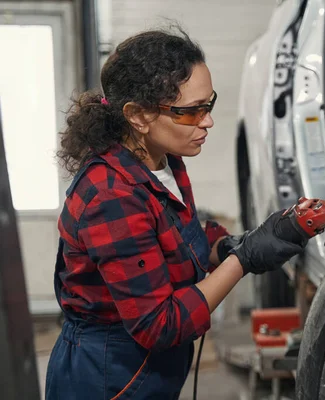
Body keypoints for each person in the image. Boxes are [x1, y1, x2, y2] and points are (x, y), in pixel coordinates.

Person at [45, 27, 308, 399]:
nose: (207, 122)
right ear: (137, 116)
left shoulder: (161, 160)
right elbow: (160, 324)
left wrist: (239, 242)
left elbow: (176, 237)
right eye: (190, 112)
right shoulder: (111, 195)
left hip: (148, 367)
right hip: (109, 375)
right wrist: (243, 260)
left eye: (209, 104)